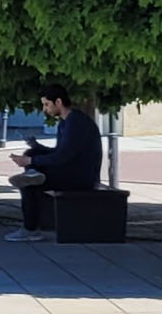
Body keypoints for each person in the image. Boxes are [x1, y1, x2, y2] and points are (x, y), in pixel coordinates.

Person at [5, 82, 102, 241]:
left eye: (47, 104)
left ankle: (30, 230)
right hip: (69, 169)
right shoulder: (65, 122)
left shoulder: (76, 122)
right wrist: (37, 147)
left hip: (80, 177)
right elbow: (59, 152)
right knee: (33, 153)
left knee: (29, 186)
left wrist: (30, 160)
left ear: (58, 102)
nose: (45, 109)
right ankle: (33, 174)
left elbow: (62, 156)